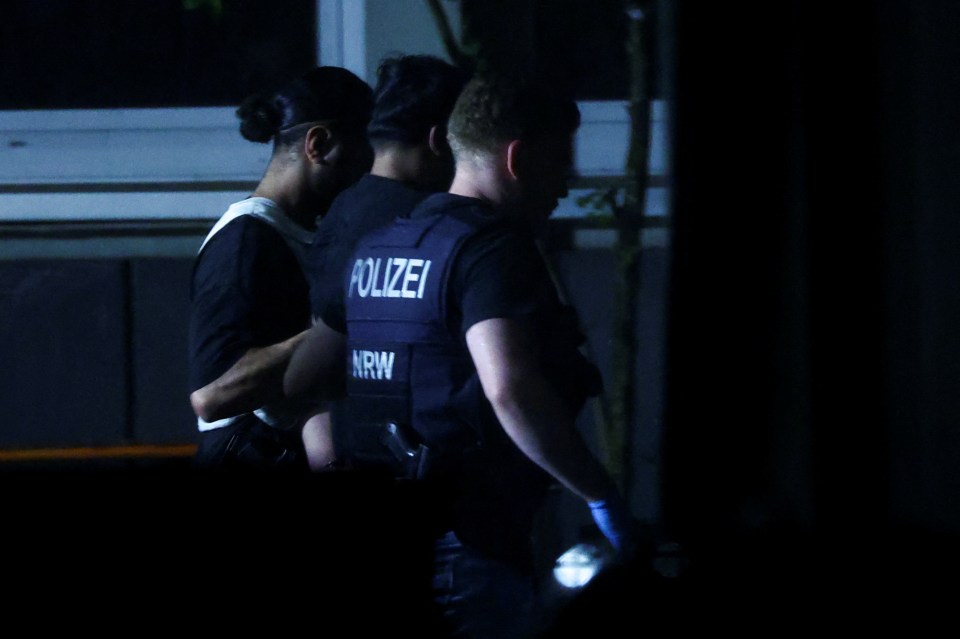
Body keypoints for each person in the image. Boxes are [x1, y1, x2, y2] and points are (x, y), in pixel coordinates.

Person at [286, 73, 636, 638]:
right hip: (468, 541)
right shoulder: (491, 249)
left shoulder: (382, 246)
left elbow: (320, 389)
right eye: (559, 165)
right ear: (517, 158)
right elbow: (509, 389)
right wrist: (599, 495)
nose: (566, 186)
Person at [288, 54, 470, 470]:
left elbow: (313, 370)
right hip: (419, 459)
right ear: (440, 140)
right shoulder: (429, 225)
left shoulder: (341, 209)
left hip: (357, 446)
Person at [187, 66, 374, 471]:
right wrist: (340, 328)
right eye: (364, 151)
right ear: (319, 144)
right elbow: (212, 395)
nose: (367, 171)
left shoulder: (306, 231)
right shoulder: (245, 241)